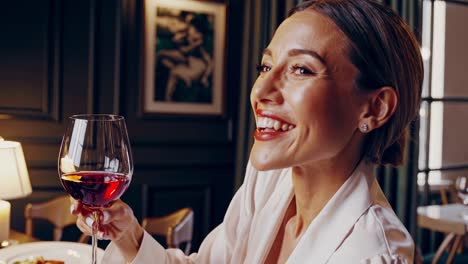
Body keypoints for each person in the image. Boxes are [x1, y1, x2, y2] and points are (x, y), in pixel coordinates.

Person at [71, 0, 423, 263]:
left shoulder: (374, 254)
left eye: (301, 69)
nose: (261, 90)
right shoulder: (268, 182)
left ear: (374, 108)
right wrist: (128, 233)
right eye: (266, 65)